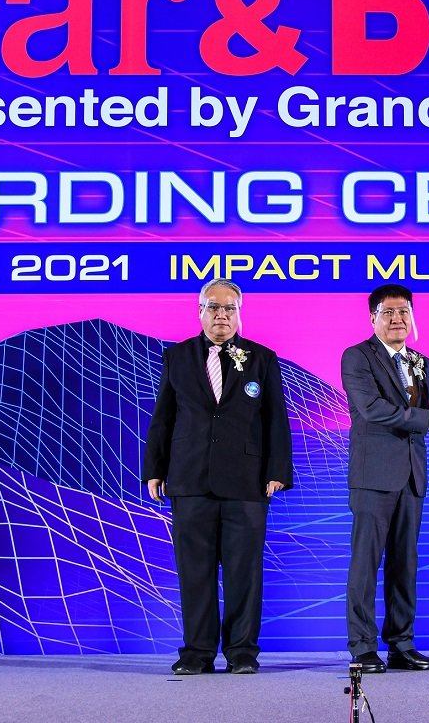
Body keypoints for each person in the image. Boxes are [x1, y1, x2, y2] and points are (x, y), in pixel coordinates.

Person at [143, 279, 292, 675]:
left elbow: (275, 419)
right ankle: (197, 652)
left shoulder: (262, 358)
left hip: (247, 481)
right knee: (194, 572)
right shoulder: (177, 356)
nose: (221, 315)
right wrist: (155, 469)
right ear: (200, 311)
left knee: (245, 572)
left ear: (239, 313)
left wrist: (277, 470)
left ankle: (242, 652)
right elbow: (163, 418)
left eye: (229, 308)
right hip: (189, 479)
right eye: (213, 307)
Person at [341, 283, 429, 673]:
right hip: (373, 476)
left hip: (412, 475)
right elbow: (372, 409)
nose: (398, 319)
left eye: (404, 312)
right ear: (373, 318)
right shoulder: (357, 357)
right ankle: (363, 647)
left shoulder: (420, 361)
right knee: (365, 564)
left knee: (405, 563)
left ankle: (402, 644)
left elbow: (428, 413)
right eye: (389, 312)